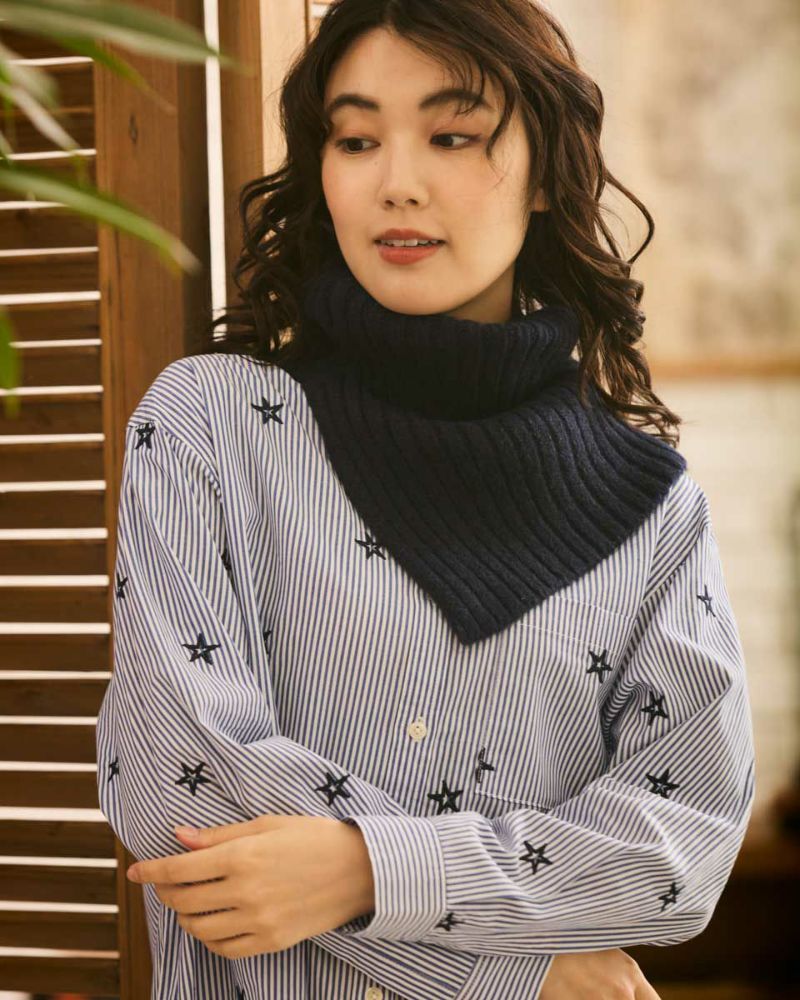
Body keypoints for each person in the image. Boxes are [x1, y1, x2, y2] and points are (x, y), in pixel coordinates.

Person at [95, 1, 756, 997]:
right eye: (355, 140)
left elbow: (679, 851)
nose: (395, 182)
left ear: (546, 173)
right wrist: (520, 971)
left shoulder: (651, 516)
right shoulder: (210, 429)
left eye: (452, 136)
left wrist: (368, 871)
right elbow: (178, 793)